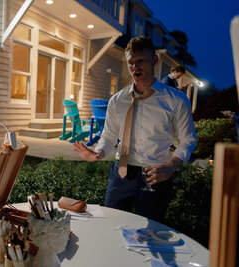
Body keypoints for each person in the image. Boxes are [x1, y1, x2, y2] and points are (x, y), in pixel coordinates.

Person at [73, 36, 197, 222]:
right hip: (120, 173)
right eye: (131, 62)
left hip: (155, 175)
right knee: (111, 224)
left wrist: (171, 166)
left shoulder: (176, 100)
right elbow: (109, 135)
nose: (135, 67)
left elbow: (188, 140)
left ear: (154, 60)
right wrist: (98, 152)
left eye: (141, 61)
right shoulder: (117, 100)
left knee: (150, 233)